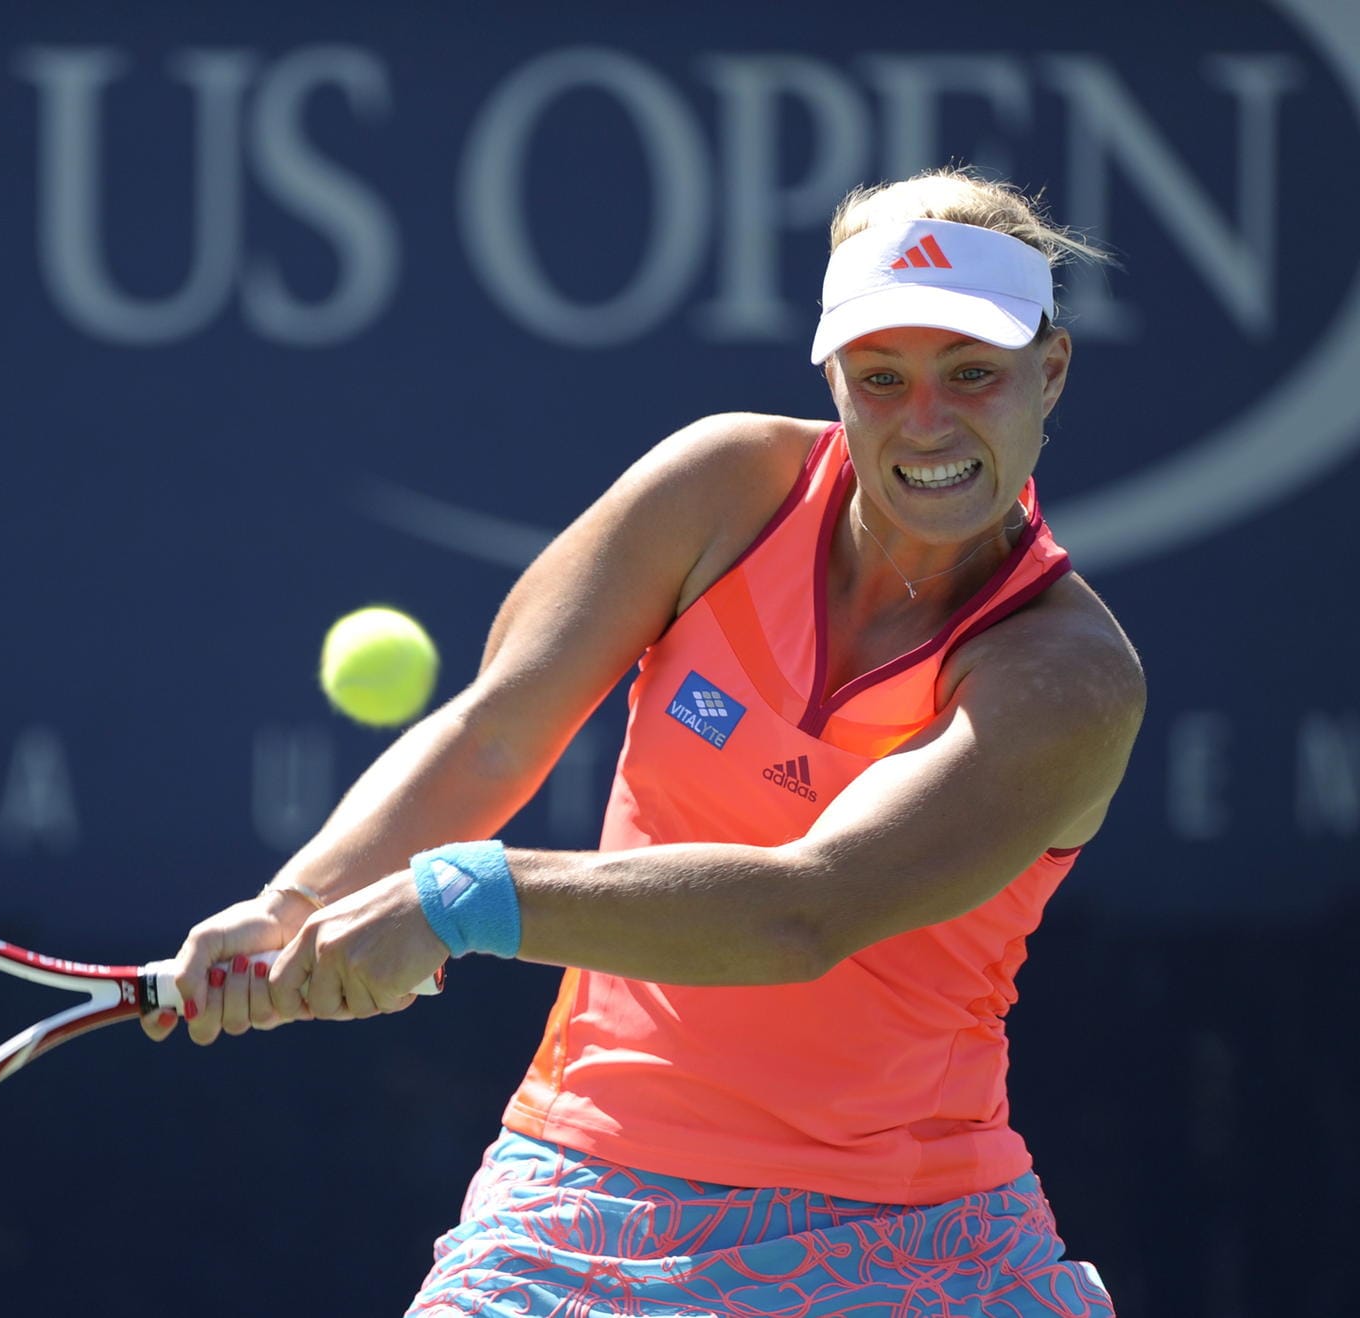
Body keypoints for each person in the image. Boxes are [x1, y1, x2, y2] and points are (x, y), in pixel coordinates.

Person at [142, 166, 1142, 1317]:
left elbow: (804, 907)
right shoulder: (722, 490)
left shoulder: (1065, 679)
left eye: (973, 374)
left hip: (914, 1251)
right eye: (882, 378)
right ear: (833, 377)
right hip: (575, 1198)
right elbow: (492, 732)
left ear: (1050, 372)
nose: (928, 421)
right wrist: (297, 899)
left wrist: (457, 900)